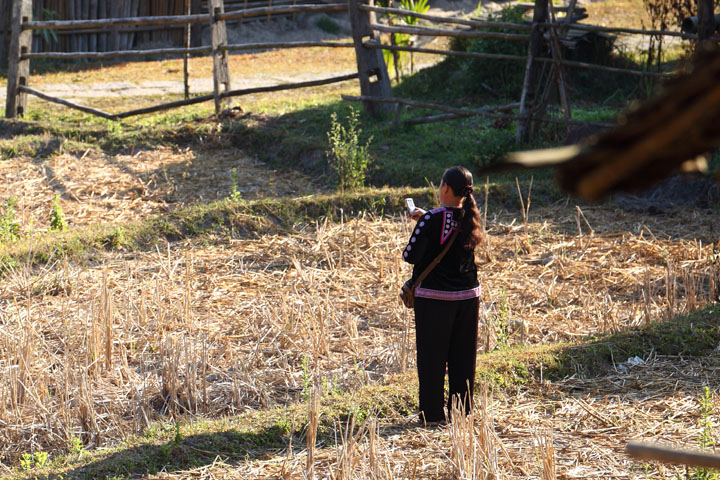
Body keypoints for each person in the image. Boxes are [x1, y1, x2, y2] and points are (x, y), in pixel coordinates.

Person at [402, 166, 483, 425]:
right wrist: (426, 220)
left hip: (435, 300)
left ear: (445, 188)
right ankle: (461, 414)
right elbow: (450, 234)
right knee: (463, 357)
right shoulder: (470, 217)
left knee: (432, 358)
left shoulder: (432, 219)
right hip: (468, 297)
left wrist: (423, 224)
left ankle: (432, 416)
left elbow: (410, 256)